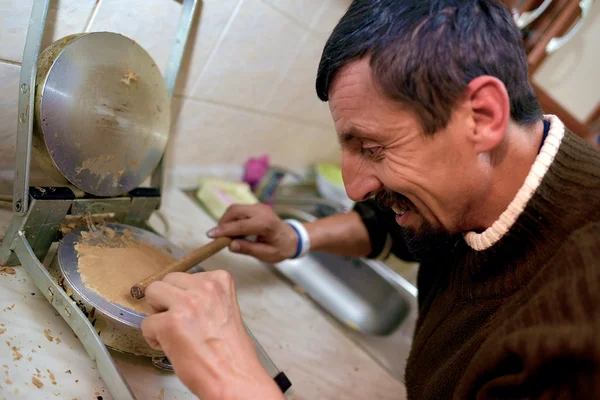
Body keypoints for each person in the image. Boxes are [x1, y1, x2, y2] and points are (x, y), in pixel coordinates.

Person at [141, 0, 600, 399]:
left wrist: (235, 384)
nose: (354, 187)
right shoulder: (467, 197)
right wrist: (295, 237)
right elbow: (398, 230)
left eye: (373, 148)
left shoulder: (579, 329)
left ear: (481, 116)